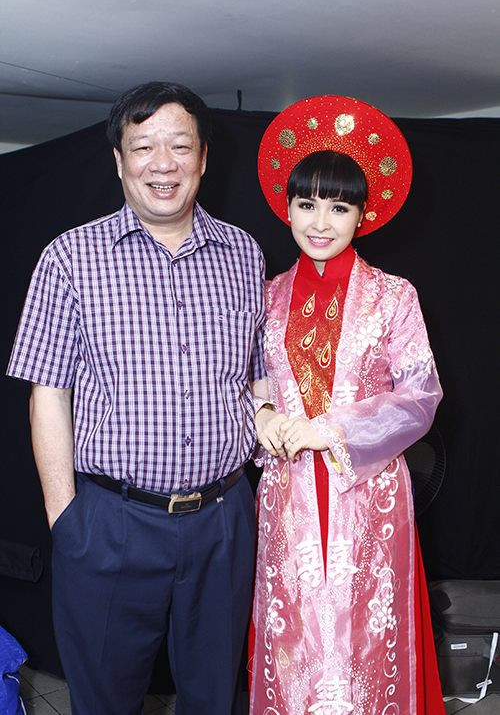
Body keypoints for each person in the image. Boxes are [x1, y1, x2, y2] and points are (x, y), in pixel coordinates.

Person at [7, 81, 268, 715]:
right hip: (111, 521)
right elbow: (47, 393)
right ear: (119, 160)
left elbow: (259, 379)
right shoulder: (69, 258)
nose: (163, 163)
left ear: (203, 158)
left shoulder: (244, 255)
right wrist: (65, 519)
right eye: (143, 146)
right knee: (105, 698)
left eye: (180, 145)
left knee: (215, 695)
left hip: (224, 519)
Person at [250, 95, 445, 713]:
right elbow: (245, 380)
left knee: (366, 640)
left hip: (367, 493)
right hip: (287, 493)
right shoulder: (264, 295)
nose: (321, 222)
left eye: (339, 207)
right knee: (293, 638)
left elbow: (420, 396)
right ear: (286, 207)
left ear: (363, 214)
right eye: (307, 204)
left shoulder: (393, 296)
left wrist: (327, 430)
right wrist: (261, 414)